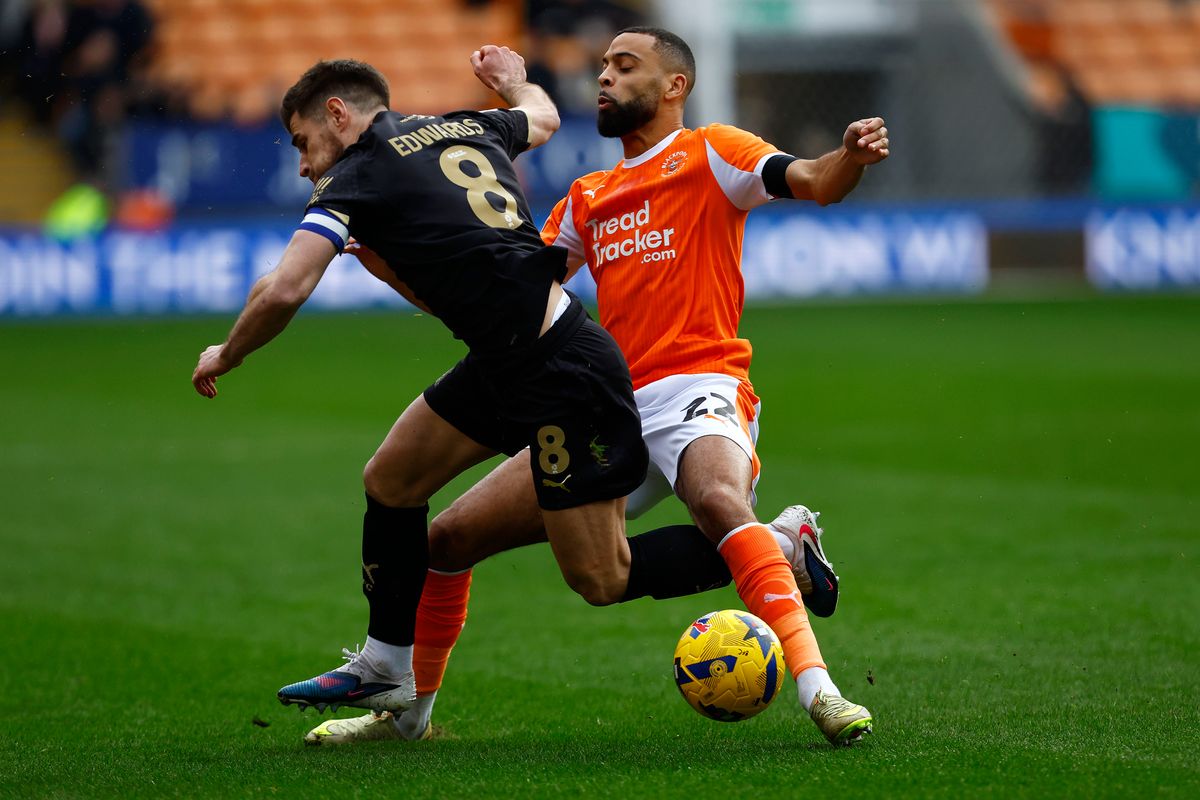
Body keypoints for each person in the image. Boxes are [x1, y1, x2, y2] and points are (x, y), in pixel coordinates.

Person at [308, 27, 889, 747]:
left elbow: (814, 181)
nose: (604, 78)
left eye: (624, 65)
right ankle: (406, 721)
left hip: (701, 384)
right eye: (603, 66)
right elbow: (512, 298)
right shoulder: (590, 195)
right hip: (605, 405)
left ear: (674, 86)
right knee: (453, 541)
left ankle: (820, 691)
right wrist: (393, 264)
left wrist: (850, 157)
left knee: (714, 499)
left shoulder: (713, 150)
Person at [192, 47, 747, 717]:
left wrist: (229, 351)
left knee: (602, 577)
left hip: (560, 369)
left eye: (303, 143)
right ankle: (387, 666)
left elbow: (284, 290)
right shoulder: (462, 124)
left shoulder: (356, 178)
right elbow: (537, 117)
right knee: (391, 478)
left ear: (337, 114)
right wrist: (516, 84)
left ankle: (764, 546)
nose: (304, 163)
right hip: (504, 361)